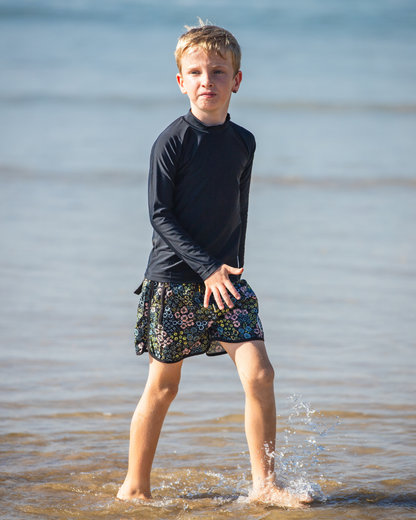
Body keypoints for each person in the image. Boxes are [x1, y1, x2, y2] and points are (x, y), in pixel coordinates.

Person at [117, 20, 312, 508]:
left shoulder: (244, 141)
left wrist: (232, 268)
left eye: (219, 71)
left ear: (237, 80)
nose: (208, 80)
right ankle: (135, 487)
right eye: (197, 72)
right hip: (176, 280)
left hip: (226, 280)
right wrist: (206, 267)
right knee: (163, 388)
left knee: (261, 374)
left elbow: (239, 212)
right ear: (181, 81)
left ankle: (265, 484)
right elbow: (159, 216)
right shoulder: (172, 141)